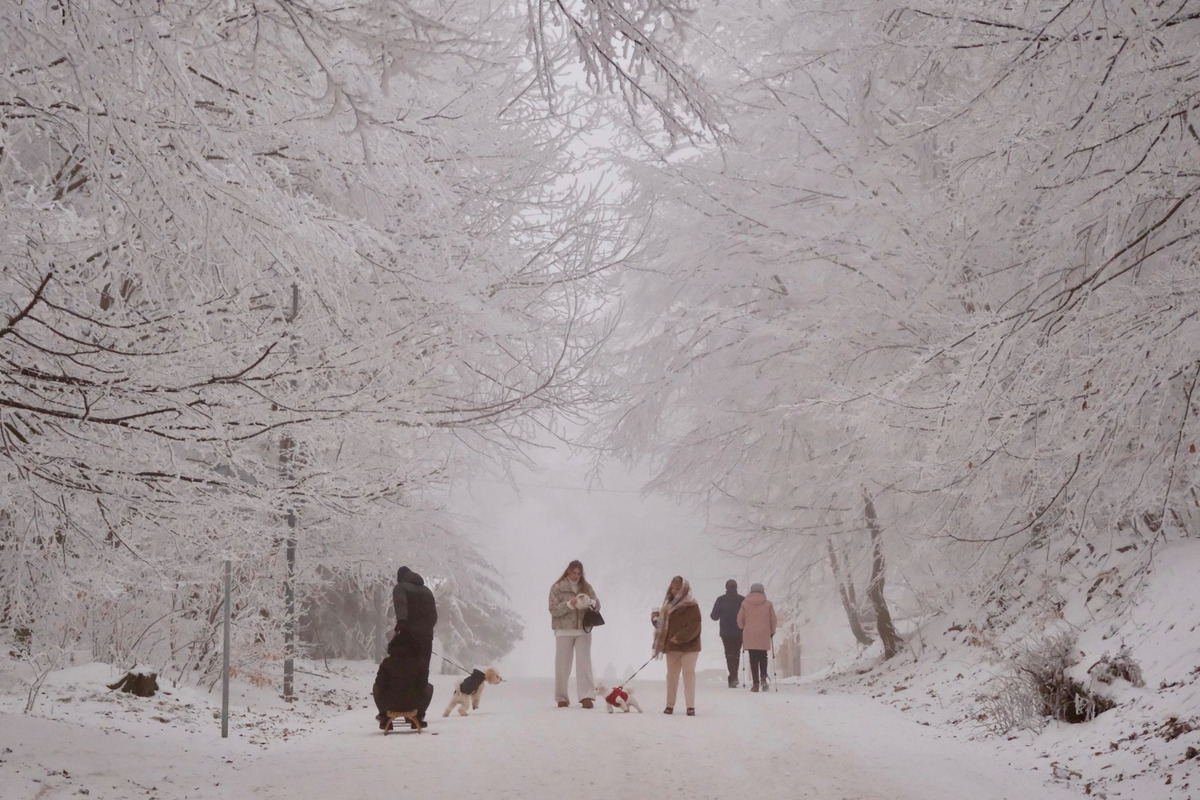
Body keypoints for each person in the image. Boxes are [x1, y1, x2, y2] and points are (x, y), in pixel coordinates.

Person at [374, 565, 438, 729]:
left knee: (399, 666)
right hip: (425, 637)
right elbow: (433, 616)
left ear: (400, 577)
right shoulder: (427, 591)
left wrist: (402, 624)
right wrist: (426, 631)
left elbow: (401, 605)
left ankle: (385, 716)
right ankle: (417, 714)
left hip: (409, 634)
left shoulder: (400, 587)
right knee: (421, 673)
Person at [548, 559, 600, 708]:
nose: (576, 576)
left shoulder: (586, 587)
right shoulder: (557, 588)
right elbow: (553, 609)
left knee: (584, 663)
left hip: (584, 629)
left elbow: (597, 604)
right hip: (563, 630)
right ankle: (561, 697)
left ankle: (586, 696)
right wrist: (569, 604)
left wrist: (592, 603)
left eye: (579, 573)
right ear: (568, 572)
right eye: (574, 573)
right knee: (562, 664)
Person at [651, 575, 702, 716]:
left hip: (689, 647)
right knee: (671, 676)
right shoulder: (667, 605)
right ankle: (669, 705)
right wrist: (655, 619)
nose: (674, 591)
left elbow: (695, 626)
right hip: (672, 647)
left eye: (677, 588)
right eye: (672, 588)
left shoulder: (692, 605)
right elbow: (661, 626)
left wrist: (680, 638)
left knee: (688, 675)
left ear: (684, 589)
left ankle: (690, 706)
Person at [737, 582, 777, 693]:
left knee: (753, 657)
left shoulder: (745, 603)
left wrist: (743, 628)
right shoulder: (768, 604)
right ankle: (763, 677)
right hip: (764, 633)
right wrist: (772, 632)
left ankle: (755, 684)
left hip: (750, 633)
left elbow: (740, 620)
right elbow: (773, 620)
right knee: (763, 656)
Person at [710, 579, 744, 688]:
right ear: (736, 587)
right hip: (739, 630)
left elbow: (714, 616)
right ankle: (734, 675)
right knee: (736, 653)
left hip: (725, 631)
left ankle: (733, 676)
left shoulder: (721, 600)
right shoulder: (742, 600)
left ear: (726, 587)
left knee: (729, 654)